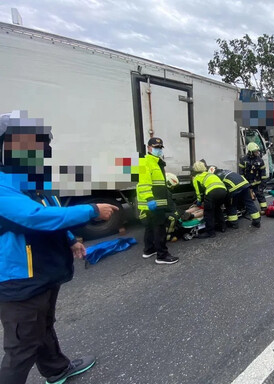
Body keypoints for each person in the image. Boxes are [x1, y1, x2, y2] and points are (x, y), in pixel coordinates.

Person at [0, 112, 119, 384]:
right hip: (18, 278)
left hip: (43, 271)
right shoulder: (2, 186)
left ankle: (56, 369)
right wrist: (90, 210)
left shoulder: (34, 181)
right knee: (20, 348)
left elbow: (51, 211)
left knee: (43, 326)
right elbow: (32, 217)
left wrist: (70, 239)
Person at [137, 137, 179, 264]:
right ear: (149, 148)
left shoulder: (156, 162)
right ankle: (162, 256)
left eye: (160, 148)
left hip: (155, 202)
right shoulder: (145, 162)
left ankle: (149, 250)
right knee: (159, 228)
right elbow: (143, 183)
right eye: (156, 147)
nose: (159, 150)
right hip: (154, 202)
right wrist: (149, 198)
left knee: (150, 227)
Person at [207, 164, 261, 229]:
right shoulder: (225, 171)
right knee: (249, 202)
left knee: (231, 205)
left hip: (234, 188)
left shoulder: (216, 176)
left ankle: (233, 223)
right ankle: (257, 221)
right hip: (245, 184)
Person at [191, 160, 227, 238]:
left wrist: (199, 202)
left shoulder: (196, 178)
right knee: (217, 209)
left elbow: (199, 193)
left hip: (212, 193)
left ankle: (210, 232)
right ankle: (222, 227)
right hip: (223, 191)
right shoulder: (210, 174)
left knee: (208, 212)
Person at [239, 142, 268, 214]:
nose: (257, 153)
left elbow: (263, 173)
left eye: (257, 151)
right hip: (247, 183)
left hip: (257, 182)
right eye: (255, 151)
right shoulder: (243, 160)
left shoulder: (260, 160)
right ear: (250, 152)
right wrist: (243, 183)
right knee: (246, 197)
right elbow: (241, 172)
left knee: (260, 194)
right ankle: (245, 209)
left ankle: (264, 208)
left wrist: (263, 183)